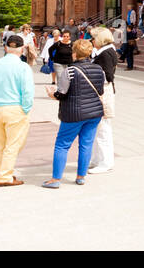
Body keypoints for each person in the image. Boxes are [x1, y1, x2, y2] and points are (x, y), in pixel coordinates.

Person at [43, 38, 105, 188]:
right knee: (86, 144)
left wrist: (52, 95)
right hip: (94, 113)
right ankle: (80, 176)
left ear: (74, 53)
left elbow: (62, 93)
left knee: (62, 145)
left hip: (73, 113)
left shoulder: (69, 71)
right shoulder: (99, 69)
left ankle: (56, 179)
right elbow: (101, 91)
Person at [0, 34, 33, 186]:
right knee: (14, 144)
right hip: (16, 107)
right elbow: (28, 92)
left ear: (5, 47)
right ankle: (4, 176)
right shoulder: (23, 67)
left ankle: (4, 172)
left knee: (1, 145)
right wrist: (26, 109)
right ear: (22, 48)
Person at [88, 27, 118, 174]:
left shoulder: (105, 53)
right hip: (102, 91)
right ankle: (97, 159)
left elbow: (108, 76)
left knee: (103, 129)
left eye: (93, 38)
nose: (91, 41)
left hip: (103, 92)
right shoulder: (106, 51)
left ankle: (105, 162)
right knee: (98, 128)